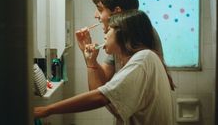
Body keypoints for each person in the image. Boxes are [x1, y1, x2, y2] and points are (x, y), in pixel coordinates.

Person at [34, 10, 174, 125]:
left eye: (109, 29)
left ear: (123, 34)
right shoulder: (144, 58)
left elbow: (101, 97)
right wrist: (91, 61)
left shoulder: (143, 59)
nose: (105, 34)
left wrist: (47, 110)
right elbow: (104, 95)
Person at [75, 0, 167, 91]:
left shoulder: (142, 34)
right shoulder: (121, 38)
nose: (96, 15)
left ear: (117, 12)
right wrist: (90, 59)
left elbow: (100, 94)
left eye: (100, 9)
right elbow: (101, 82)